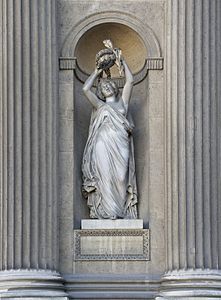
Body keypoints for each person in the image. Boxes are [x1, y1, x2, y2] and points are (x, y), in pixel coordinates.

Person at [82, 57, 138, 219]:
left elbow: (130, 82)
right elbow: (85, 90)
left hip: (120, 143)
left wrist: (122, 61)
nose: (106, 86)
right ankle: (106, 212)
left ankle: (120, 212)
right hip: (102, 143)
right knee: (104, 176)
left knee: (121, 177)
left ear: (115, 87)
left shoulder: (123, 104)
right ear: (100, 91)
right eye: (103, 86)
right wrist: (96, 72)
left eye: (109, 84)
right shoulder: (100, 105)